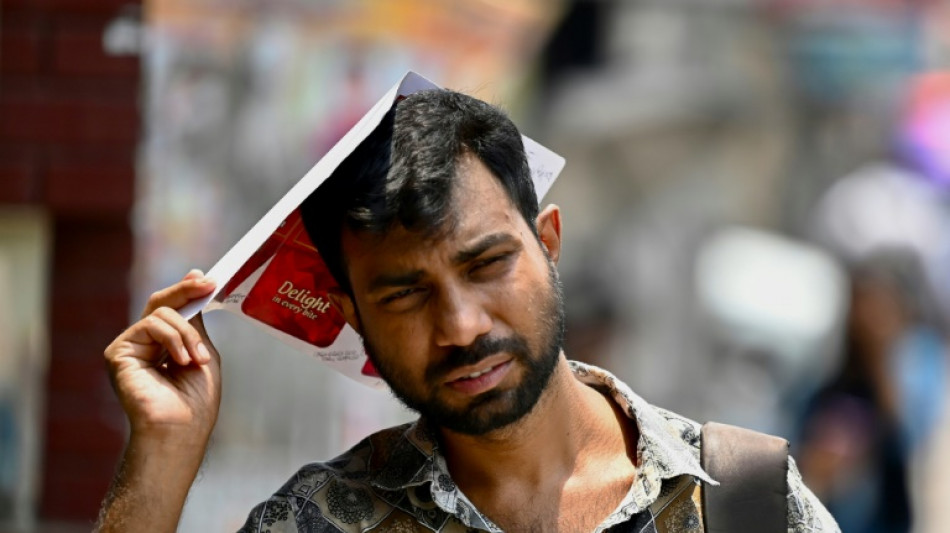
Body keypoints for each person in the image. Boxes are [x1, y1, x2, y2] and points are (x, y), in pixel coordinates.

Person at [96, 90, 839, 532]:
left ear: (548, 241)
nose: (461, 327)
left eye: (486, 265)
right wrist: (159, 457)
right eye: (405, 294)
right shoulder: (321, 521)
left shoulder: (742, 502)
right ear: (352, 314)